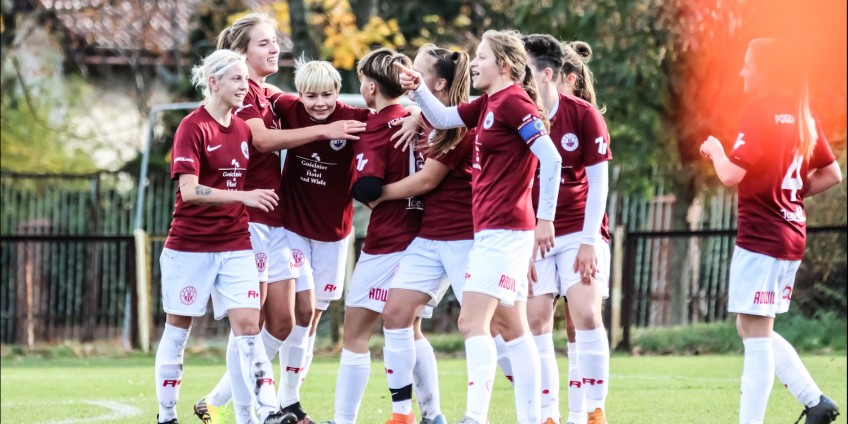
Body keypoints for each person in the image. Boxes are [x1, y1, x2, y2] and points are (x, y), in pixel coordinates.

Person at [196, 13, 366, 424]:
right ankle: (248, 412)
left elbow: (299, 103)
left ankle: (254, 402)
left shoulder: (266, 93)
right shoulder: (245, 95)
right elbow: (262, 140)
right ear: (241, 53)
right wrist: (324, 131)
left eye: (275, 41)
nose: (275, 48)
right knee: (252, 321)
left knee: (296, 316)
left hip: (276, 221)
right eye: (264, 42)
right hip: (249, 220)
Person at [397, 29, 563, 424]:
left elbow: (552, 158)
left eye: (482, 57)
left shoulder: (514, 103)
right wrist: (419, 89)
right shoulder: (490, 102)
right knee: (515, 330)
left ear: (504, 65)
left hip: (506, 232)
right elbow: (443, 118)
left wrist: (546, 219)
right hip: (496, 231)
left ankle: (474, 417)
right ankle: (535, 418)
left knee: (472, 321)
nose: (474, 63)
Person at [699, 38, 841, 424]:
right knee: (749, 326)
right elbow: (832, 174)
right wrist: (790, 193)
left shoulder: (759, 112)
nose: (743, 71)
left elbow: (731, 175)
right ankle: (816, 402)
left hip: (762, 237)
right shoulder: (802, 114)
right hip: (791, 235)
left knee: (756, 336)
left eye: (748, 65)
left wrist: (715, 150)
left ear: (766, 72)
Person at [155, 48, 293, 424]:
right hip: (191, 246)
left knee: (249, 328)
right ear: (213, 83)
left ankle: (268, 412)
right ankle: (166, 415)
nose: (244, 86)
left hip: (236, 243)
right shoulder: (192, 127)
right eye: (236, 79)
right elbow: (189, 191)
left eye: (246, 79)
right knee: (178, 330)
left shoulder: (245, 129)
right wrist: (243, 197)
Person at [374, 43, 473, 424]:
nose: (407, 74)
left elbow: (428, 180)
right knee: (396, 314)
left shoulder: (459, 122)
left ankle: (539, 411)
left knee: (493, 328)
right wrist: (416, 113)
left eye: (416, 69)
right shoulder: (427, 116)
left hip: (466, 239)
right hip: (430, 238)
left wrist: (377, 195)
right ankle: (406, 414)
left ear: (440, 83)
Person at [326, 47, 426, 424]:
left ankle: (344, 419)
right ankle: (431, 413)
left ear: (370, 87)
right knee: (412, 330)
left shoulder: (377, 127)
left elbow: (368, 188)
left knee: (356, 332)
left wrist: (357, 187)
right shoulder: (423, 118)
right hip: (427, 236)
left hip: (389, 239)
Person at [520, 34, 613, 424]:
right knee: (535, 320)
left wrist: (589, 242)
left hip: (578, 231)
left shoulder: (583, 115)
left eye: (524, 68)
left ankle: (593, 411)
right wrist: (521, 238)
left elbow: (599, 184)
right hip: (531, 235)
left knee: (586, 316)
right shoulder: (515, 113)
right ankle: (548, 415)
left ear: (546, 74)